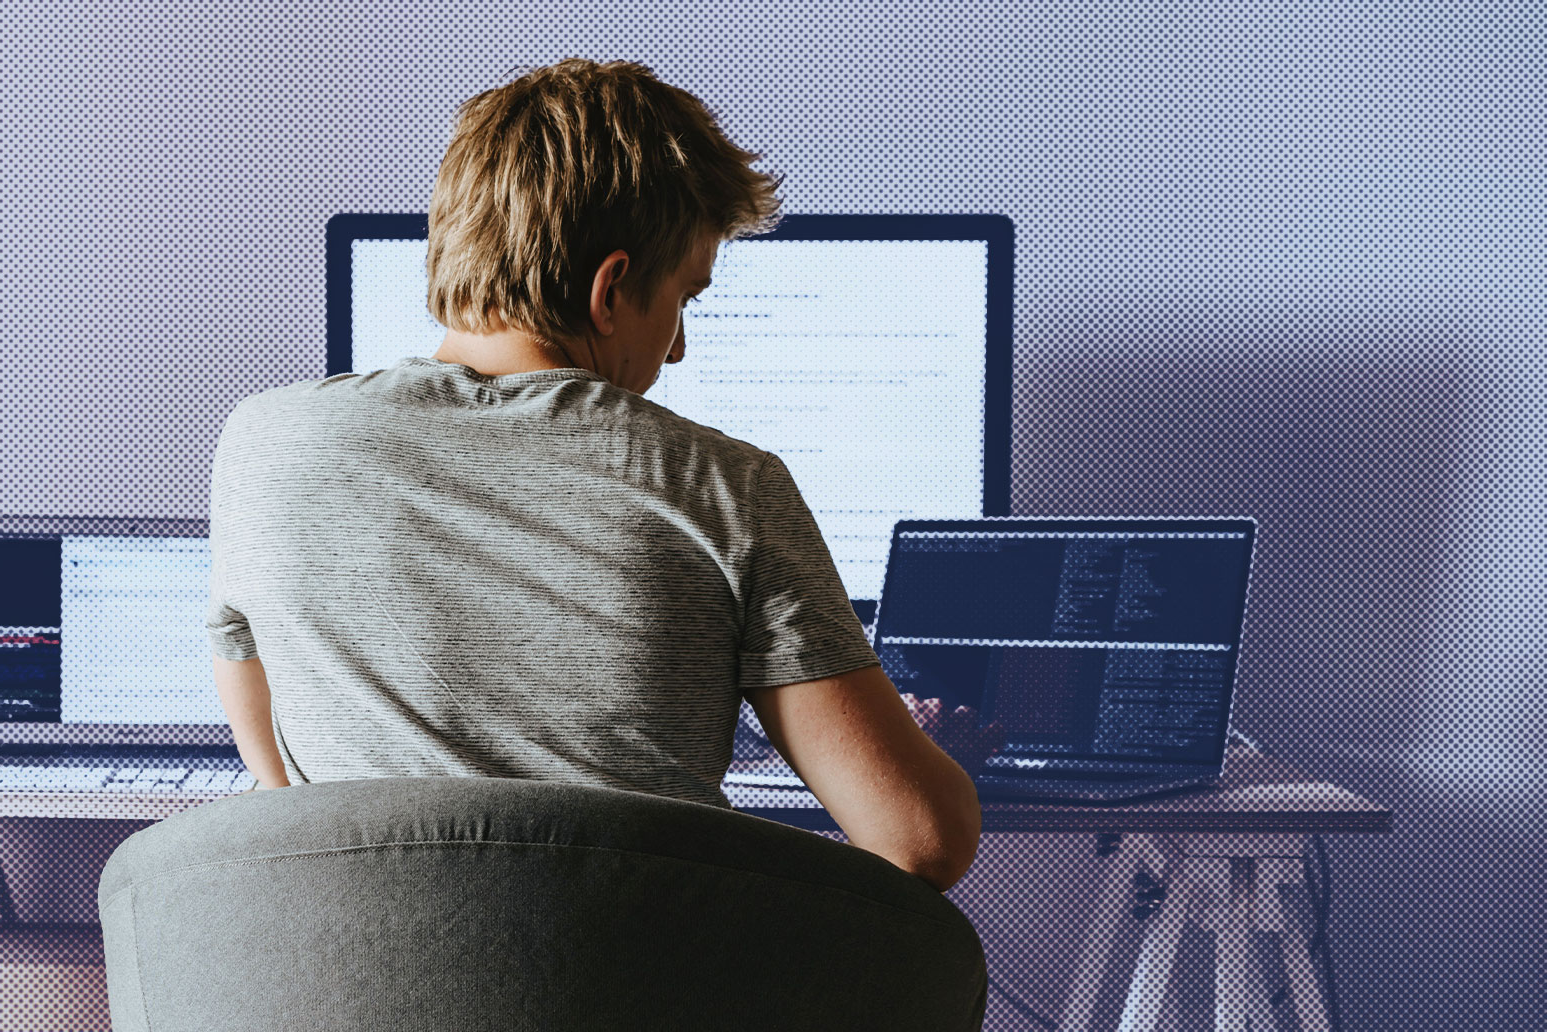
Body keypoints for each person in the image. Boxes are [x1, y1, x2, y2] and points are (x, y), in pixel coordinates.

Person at [206, 58, 992, 892]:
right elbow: (920, 840)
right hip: (643, 1011)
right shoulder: (726, 485)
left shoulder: (263, 445)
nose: (679, 346)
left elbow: (282, 791)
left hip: (348, 1004)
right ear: (611, 290)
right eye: (685, 298)